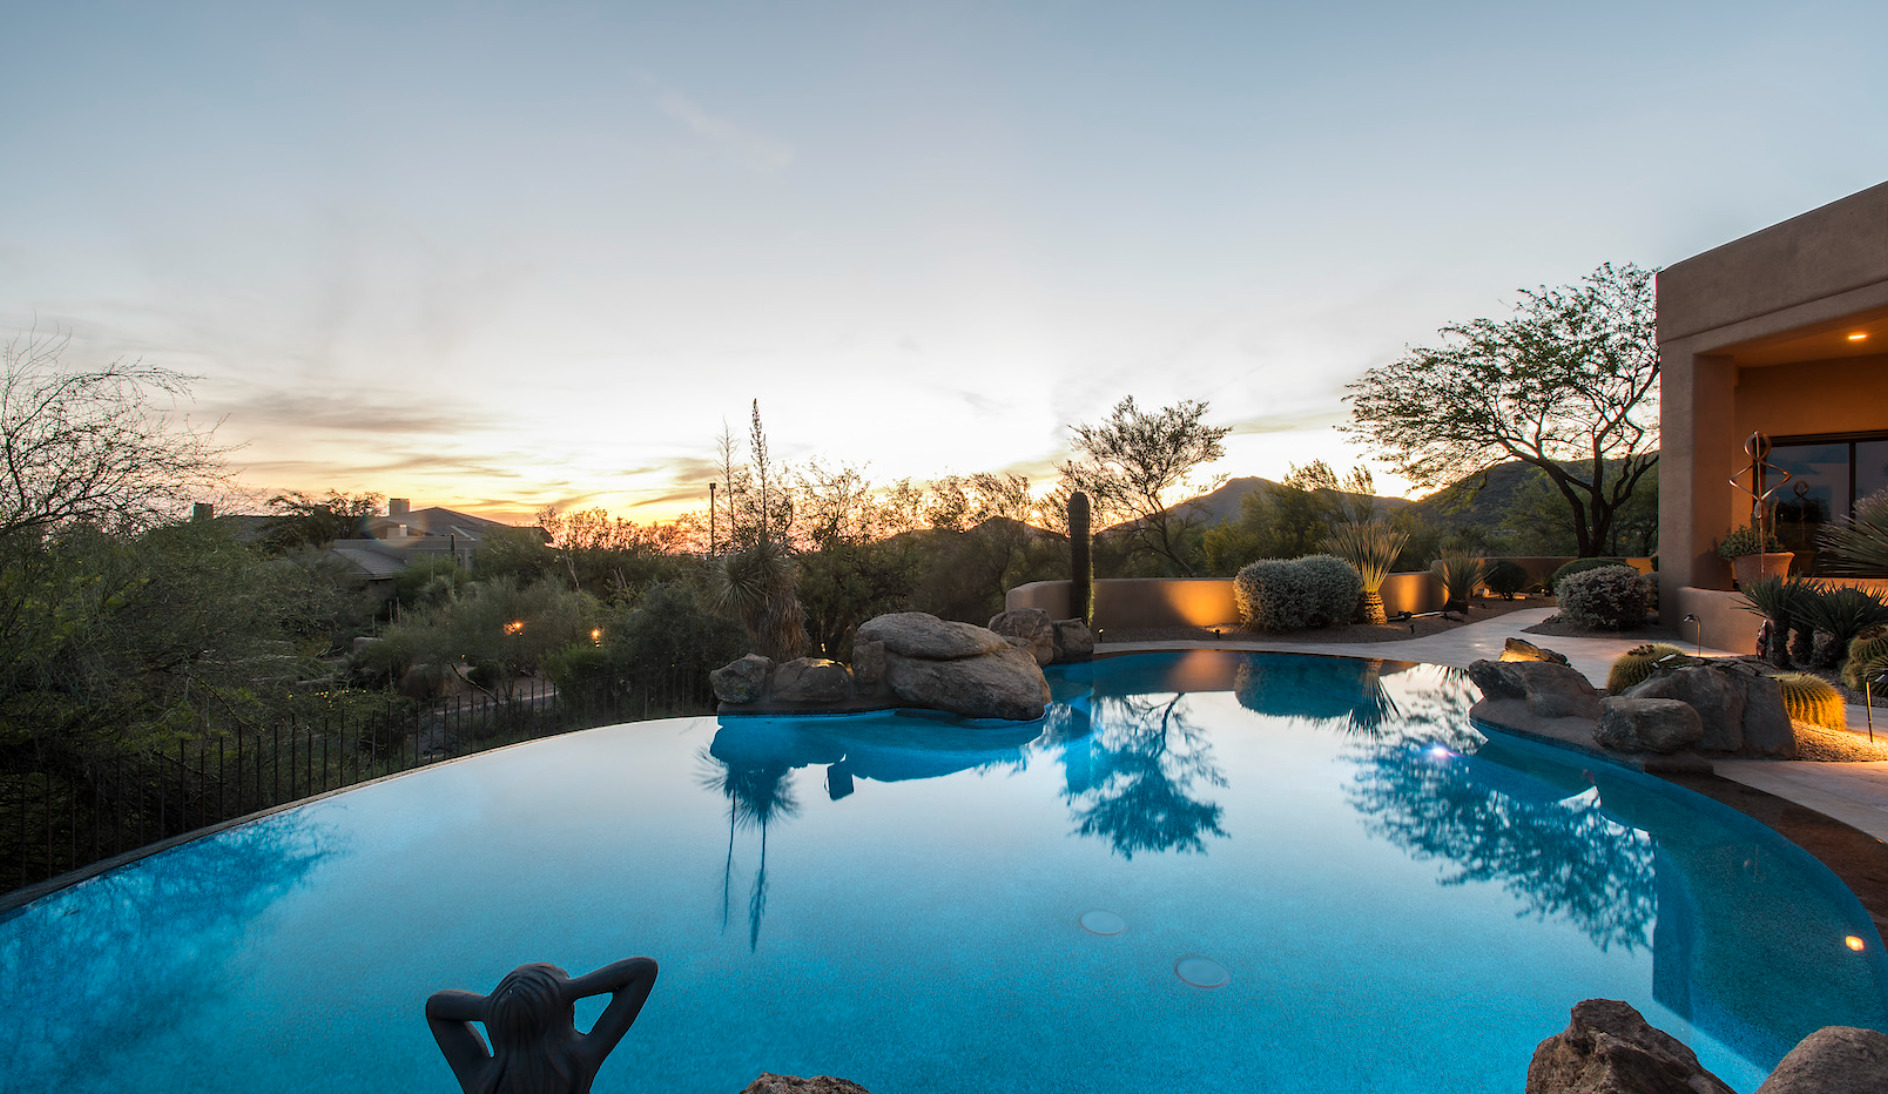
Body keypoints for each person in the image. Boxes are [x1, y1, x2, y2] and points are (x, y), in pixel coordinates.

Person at [426, 957, 659, 1094]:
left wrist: (491, 1007)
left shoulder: (483, 1082)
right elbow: (643, 970)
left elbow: (437, 1007)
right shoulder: (577, 1063)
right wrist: (568, 989)